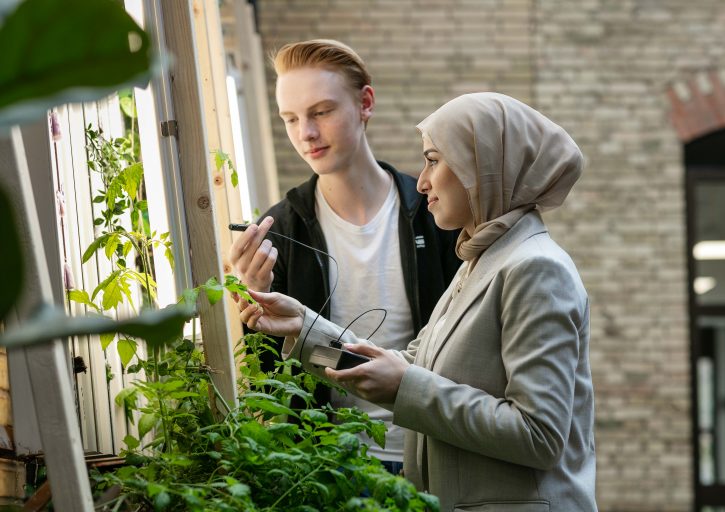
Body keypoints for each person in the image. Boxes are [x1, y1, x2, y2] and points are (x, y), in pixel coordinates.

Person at [236, 92, 597, 511]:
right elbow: (414, 361)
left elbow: (539, 435)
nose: (422, 181)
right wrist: (303, 327)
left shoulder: (534, 268)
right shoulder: (481, 259)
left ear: (481, 167)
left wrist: (407, 388)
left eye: (433, 160)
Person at [228, 39, 461, 474]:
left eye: (321, 112)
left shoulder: (435, 213)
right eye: (291, 118)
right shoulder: (279, 232)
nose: (306, 133)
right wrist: (252, 302)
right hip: (330, 470)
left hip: (436, 458)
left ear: (365, 103)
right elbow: (269, 383)